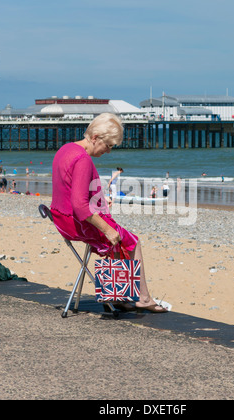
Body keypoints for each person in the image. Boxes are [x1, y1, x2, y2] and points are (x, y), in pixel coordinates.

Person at [50, 113, 167, 313]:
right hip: (76, 222)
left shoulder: (66, 149)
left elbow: (68, 191)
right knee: (130, 240)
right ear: (95, 137)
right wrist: (106, 229)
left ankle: (116, 295)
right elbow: (79, 206)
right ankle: (144, 298)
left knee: (118, 239)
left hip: (61, 219)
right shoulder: (83, 159)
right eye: (109, 145)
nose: (109, 151)